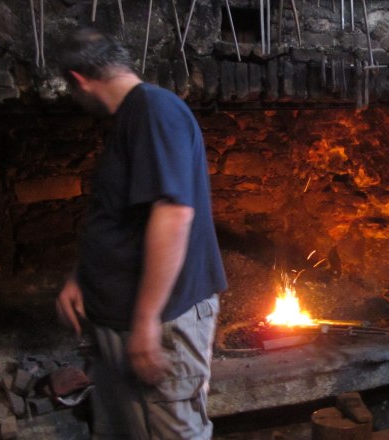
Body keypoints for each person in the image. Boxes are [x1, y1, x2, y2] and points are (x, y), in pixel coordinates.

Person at [54, 27, 227, 439]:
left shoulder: (154, 111)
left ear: (79, 80)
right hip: (126, 319)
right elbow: (121, 215)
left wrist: (148, 320)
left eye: (70, 89)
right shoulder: (134, 116)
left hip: (161, 323)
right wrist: (81, 276)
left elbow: (173, 214)